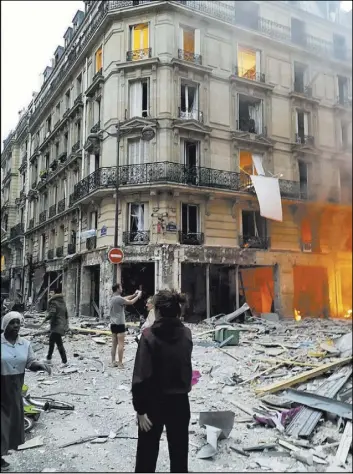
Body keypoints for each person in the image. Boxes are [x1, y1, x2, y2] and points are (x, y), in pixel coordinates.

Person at [132, 290, 193, 473]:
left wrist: (140, 410)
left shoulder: (149, 336)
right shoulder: (186, 334)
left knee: (146, 456)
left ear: (157, 311)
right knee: (179, 456)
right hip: (180, 403)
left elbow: (141, 376)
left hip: (153, 404)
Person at [1, 312, 51, 471]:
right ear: (4, 325)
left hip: (15, 388)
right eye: (12, 323)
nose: (16, 326)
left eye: (18, 322)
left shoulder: (25, 344)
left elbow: (30, 363)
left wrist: (40, 365)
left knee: (10, 423)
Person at [109, 283, 141, 368]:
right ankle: (120, 363)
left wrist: (134, 294)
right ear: (118, 289)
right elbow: (130, 302)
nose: (122, 289)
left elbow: (124, 299)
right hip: (120, 324)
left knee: (114, 344)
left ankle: (113, 362)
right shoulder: (119, 299)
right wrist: (138, 296)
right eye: (121, 287)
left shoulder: (113, 298)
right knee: (121, 344)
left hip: (113, 324)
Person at [40, 288, 69, 367]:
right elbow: (66, 314)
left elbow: (52, 313)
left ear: (55, 293)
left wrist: (45, 320)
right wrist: (66, 325)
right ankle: (48, 359)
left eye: (51, 292)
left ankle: (64, 361)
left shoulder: (53, 302)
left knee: (59, 343)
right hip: (61, 324)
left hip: (56, 325)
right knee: (51, 342)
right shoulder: (63, 302)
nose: (50, 294)